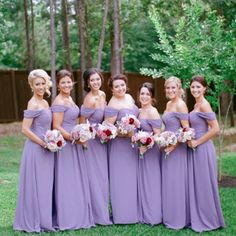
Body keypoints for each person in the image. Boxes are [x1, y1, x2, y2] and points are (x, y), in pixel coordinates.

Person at [51, 69, 94, 230]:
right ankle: (68, 217)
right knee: (67, 180)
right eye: (63, 82)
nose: (67, 84)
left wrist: (81, 133)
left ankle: (78, 213)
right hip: (67, 143)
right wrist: (73, 138)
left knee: (75, 179)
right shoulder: (59, 101)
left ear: (73, 82)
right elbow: (56, 126)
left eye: (69, 81)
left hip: (75, 141)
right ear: (58, 84)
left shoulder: (68, 98)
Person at [14, 69, 54, 233]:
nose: (40, 86)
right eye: (37, 84)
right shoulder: (33, 103)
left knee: (45, 185)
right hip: (36, 149)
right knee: (37, 185)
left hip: (47, 148)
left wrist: (52, 139)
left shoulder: (45, 102)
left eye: (43, 83)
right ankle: (33, 220)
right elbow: (25, 129)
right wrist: (43, 144)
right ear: (32, 85)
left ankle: (45, 220)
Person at [187, 75, 225, 232]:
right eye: (193, 87)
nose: (195, 89)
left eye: (198, 87)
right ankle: (198, 215)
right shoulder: (197, 104)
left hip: (202, 148)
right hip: (195, 148)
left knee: (204, 184)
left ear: (204, 89)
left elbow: (216, 129)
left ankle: (209, 220)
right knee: (198, 184)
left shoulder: (204, 105)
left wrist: (196, 142)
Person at [105, 74, 139, 224]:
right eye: (116, 86)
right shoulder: (112, 104)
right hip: (120, 147)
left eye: (122, 85)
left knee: (132, 179)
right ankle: (122, 215)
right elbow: (107, 129)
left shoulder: (130, 98)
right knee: (121, 180)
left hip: (133, 146)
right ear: (112, 89)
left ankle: (134, 212)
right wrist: (125, 131)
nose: (120, 88)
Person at [80, 68, 111, 225]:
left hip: (103, 140)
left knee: (103, 178)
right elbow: (81, 122)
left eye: (97, 79)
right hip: (92, 142)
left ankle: (102, 211)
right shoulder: (89, 100)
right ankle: (97, 215)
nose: (95, 82)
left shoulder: (103, 95)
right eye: (92, 80)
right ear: (87, 83)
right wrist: (85, 138)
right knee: (96, 178)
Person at [161, 76, 189, 229]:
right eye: (168, 88)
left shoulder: (181, 105)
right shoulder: (168, 103)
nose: (170, 90)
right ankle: (169, 215)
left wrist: (174, 145)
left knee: (176, 182)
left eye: (173, 88)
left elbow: (186, 130)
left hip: (177, 150)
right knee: (169, 182)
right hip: (166, 146)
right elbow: (168, 126)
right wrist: (163, 137)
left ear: (179, 89)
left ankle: (179, 219)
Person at [137, 82, 162, 225]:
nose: (144, 96)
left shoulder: (153, 111)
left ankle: (153, 215)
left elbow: (158, 134)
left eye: (147, 94)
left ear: (152, 97)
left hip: (151, 152)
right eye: (142, 93)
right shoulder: (139, 111)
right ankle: (143, 213)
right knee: (143, 182)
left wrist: (146, 144)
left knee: (151, 182)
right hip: (140, 151)